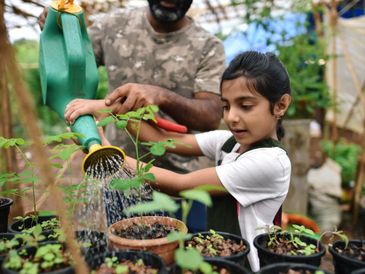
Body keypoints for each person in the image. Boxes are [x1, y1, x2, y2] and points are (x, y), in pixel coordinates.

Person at [94, 51, 292, 271]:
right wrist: (118, 112)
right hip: (221, 259)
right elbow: (163, 140)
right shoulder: (229, 142)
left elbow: (181, 185)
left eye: (245, 106)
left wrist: (106, 153)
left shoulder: (270, 161)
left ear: (280, 105)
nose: (231, 117)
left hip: (245, 268)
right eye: (226, 106)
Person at [39, 0, 225, 229]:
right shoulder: (113, 26)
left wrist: (162, 96)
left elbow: (211, 115)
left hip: (184, 188)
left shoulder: (207, 46)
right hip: (121, 179)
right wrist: (58, 32)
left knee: (185, 256)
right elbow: (76, 64)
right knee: (128, 257)